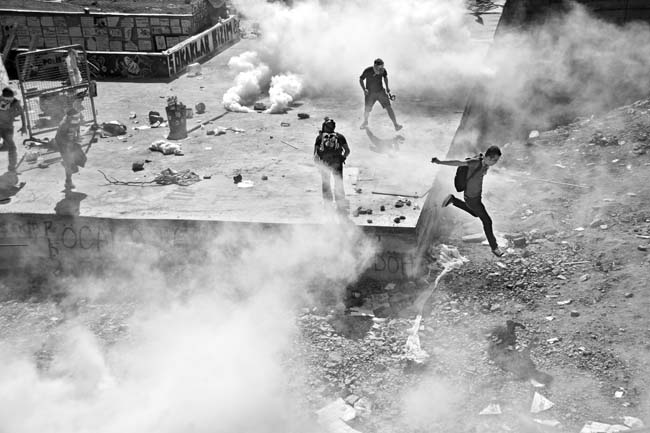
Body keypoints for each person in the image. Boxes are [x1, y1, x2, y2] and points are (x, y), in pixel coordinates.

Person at [431, 145, 504, 257]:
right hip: (472, 199)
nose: (495, 163)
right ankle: (495, 248)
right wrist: (439, 162)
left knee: (475, 213)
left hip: (475, 197)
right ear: (488, 158)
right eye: (495, 160)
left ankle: (454, 200)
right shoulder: (476, 162)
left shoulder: (484, 163)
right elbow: (458, 162)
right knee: (487, 221)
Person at [313, 117, 350, 212]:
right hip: (337, 163)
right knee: (338, 183)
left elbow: (315, 155)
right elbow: (347, 150)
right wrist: (343, 158)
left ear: (325, 127)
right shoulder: (340, 136)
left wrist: (319, 165)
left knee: (326, 183)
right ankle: (340, 204)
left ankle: (327, 204)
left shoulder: (320, 137)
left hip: (325, 163)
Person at [359, 58, 402, 131]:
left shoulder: (383, 70)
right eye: (380, 67)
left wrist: (387, 87)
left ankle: (396, 125)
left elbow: (385, 77)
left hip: (380, 92)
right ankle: (365, 122)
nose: (381, 68)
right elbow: (361, 79)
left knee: (389, 107)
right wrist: (364, 89)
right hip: (370, 94)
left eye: (382, 66)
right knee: (367, 109)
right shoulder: (368, 70)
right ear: (375, 65)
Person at [54, 108, 86, 190]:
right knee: (69, 164)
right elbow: (59, 138)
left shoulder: (76, 120)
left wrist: (78, 135)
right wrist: (67, 146)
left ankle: (65, 163)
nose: (77, 118)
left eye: (77, 116)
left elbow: (77, 126)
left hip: (71, 142)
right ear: (69, 117)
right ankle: (68, 181)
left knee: (82, 158)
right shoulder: (64, 124)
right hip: (63, 144)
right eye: (75, 117)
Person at [0, 87, 27, 182]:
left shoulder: (15, 102)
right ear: (2, 96)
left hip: (8, 128)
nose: (8, 101)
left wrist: (24, 126)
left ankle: (12, 169)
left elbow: (22, 113)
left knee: (12, 148)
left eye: (10, 99)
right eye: (6, 99)